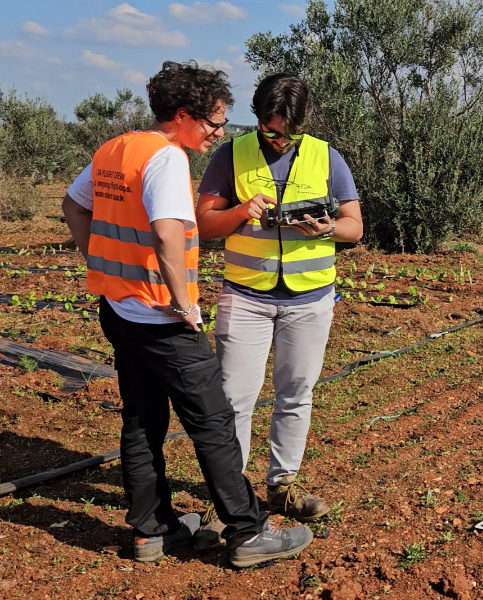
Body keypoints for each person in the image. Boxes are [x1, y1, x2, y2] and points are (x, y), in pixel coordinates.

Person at [61, 61, 313, 567]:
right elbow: (169, 234)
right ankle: (247, 533)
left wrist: (101, 261)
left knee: (142, 417)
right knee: (214, 423)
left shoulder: (116, 147)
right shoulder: (167, 158)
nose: (219, 133)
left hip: (119, 309)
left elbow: (73, 204)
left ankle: (152, 530)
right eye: (214, 123)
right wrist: (185, 304)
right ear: (182, 116)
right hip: (161, 318)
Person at [192, 73, 363, 546]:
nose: (278, 139)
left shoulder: (326, 156)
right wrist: (243, 210)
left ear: (303, 123)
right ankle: (229, 499)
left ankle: (282, 486)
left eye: (287, 132)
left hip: (309, 299)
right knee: (233, 401)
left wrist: (327, 228)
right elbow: (204, 223)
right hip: (246, 296)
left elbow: (355, 227)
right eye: (269, 130)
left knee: (297, 392)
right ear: (256, 118)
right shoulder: (232, 155)